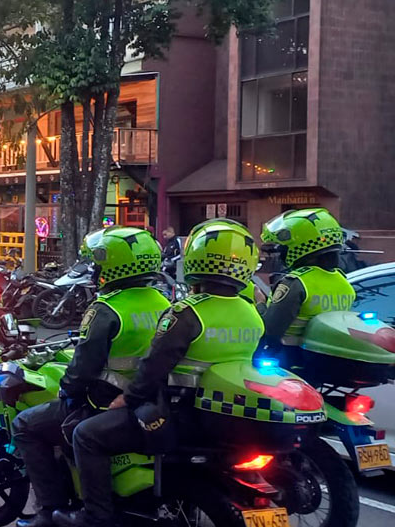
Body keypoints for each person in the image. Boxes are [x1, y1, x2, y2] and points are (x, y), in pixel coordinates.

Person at [54, 219, 261, 527]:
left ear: (195, 258)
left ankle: (95, 516)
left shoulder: (188, 313)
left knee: (85, 434)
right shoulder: (251, 311)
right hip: (219, 412)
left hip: (178, 412)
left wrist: (129, 398)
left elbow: (154, 366)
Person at [11, 227, 170, 527]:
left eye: (98, 264)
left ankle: (50, 510)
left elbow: (83, 368)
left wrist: (66, 389)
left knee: (26, 425)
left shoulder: (107, 309)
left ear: (113, 266)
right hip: (150, 398)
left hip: (105, 400)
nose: (94, 271)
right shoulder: (164, 302)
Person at [256, 208, 354, 363]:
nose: (281, 254)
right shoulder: (342, 280)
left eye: (284, 248)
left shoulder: (296, 283)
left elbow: (269, 330)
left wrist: (260, 303)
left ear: (301, 246)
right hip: (322, 360)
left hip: (288, 361)